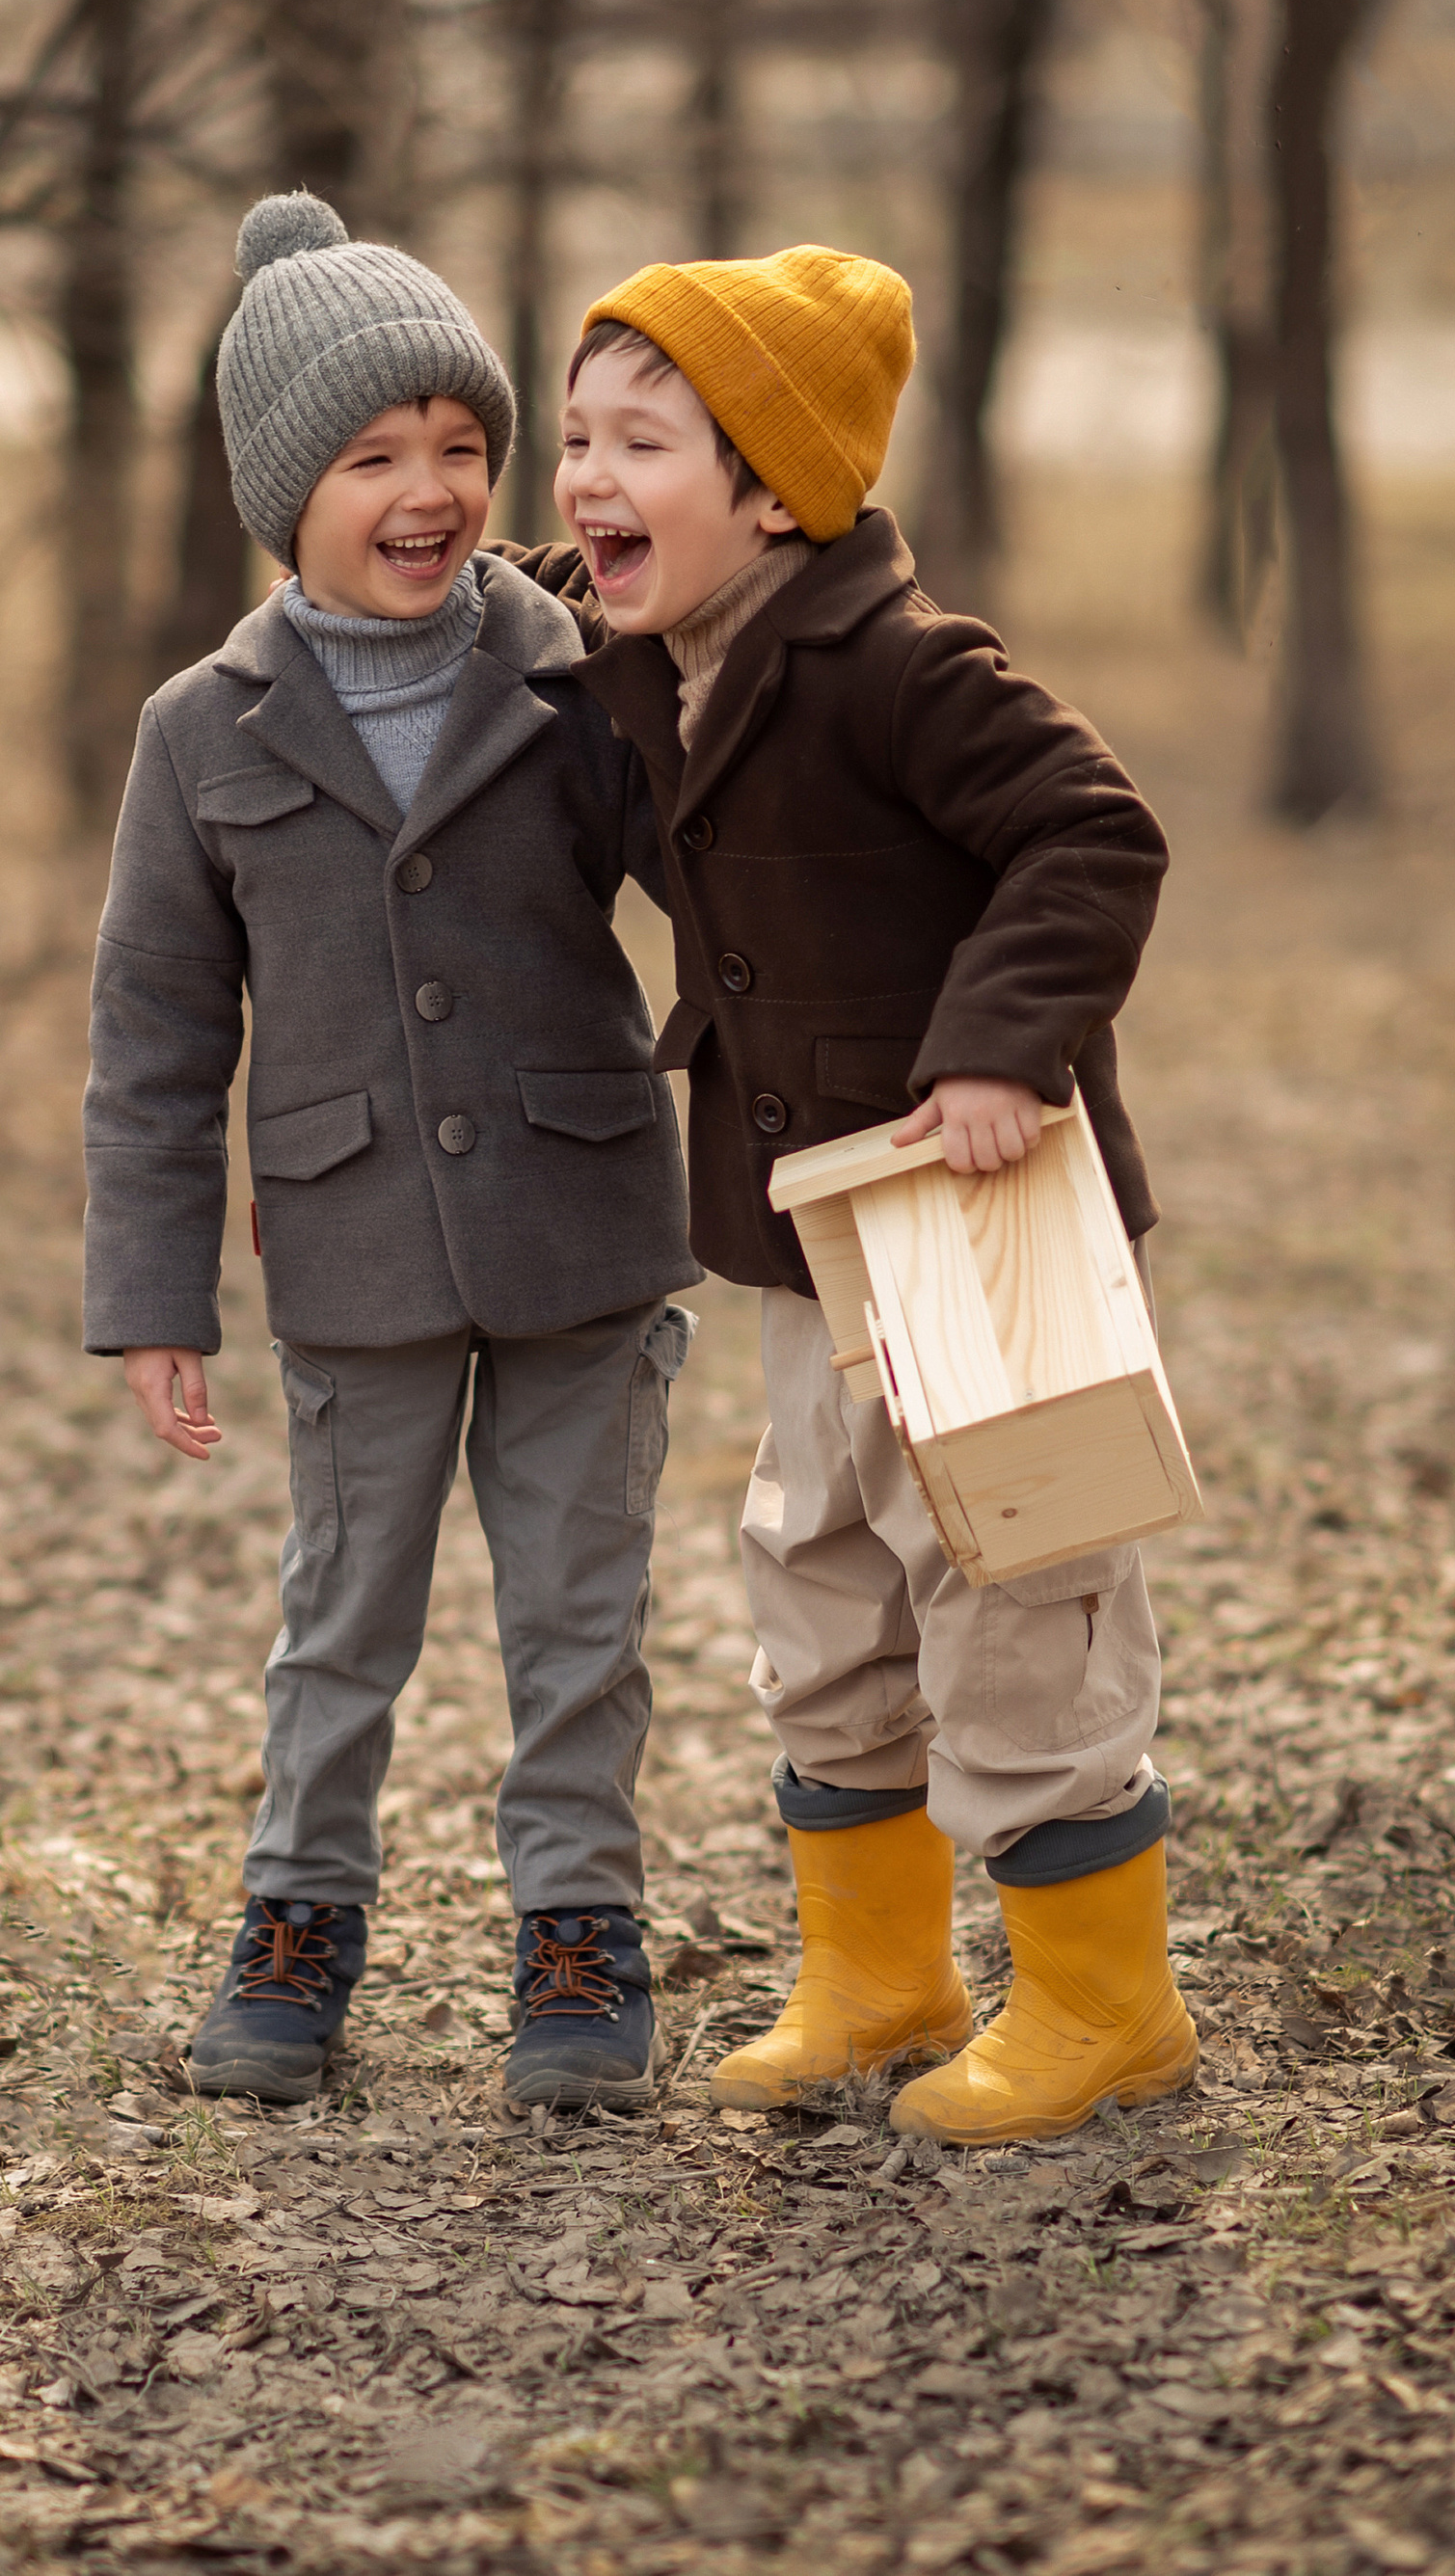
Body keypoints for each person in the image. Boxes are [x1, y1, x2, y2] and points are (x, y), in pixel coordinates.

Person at [501, 245, 1194, 2145]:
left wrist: (994, 1045)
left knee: (1012, 1584)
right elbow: (536, 595)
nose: (581, 477)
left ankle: (1098, 2004)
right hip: (804, 1227)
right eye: (572, 437)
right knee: (819, 1576)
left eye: (638, 441)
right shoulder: (658, 648)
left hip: (975, 1220)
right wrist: (410, 559)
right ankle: (879, 1971)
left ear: (771, 492)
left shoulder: (900, 668)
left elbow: (1090, 831)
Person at [82, 190, 700, 2117]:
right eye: (373, 459)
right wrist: (148, 1298)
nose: (427, 491)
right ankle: (295, 1924)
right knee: (339, 1616)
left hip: (585, 1223)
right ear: (286, 495)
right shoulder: (202, 733)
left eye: (461, 449)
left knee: (576, 1611)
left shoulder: (589, 666)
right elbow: (157, 1035)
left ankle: (578, 1940)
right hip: (348, 1254)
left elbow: (722, 901)